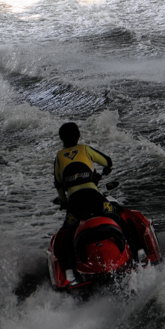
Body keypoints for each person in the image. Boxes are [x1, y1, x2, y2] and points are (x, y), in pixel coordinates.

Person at [52, 122, 115, 284]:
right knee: (116, 217)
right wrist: (104, 172)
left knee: (67, 233)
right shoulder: (85, 149)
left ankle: (71, 273)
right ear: (78, 136)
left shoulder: (59, 156)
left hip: (75, 203)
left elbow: (59, 184)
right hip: (95, 198)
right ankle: (138, 253)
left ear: (61, 139)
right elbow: (108, 162)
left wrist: (64, 202)